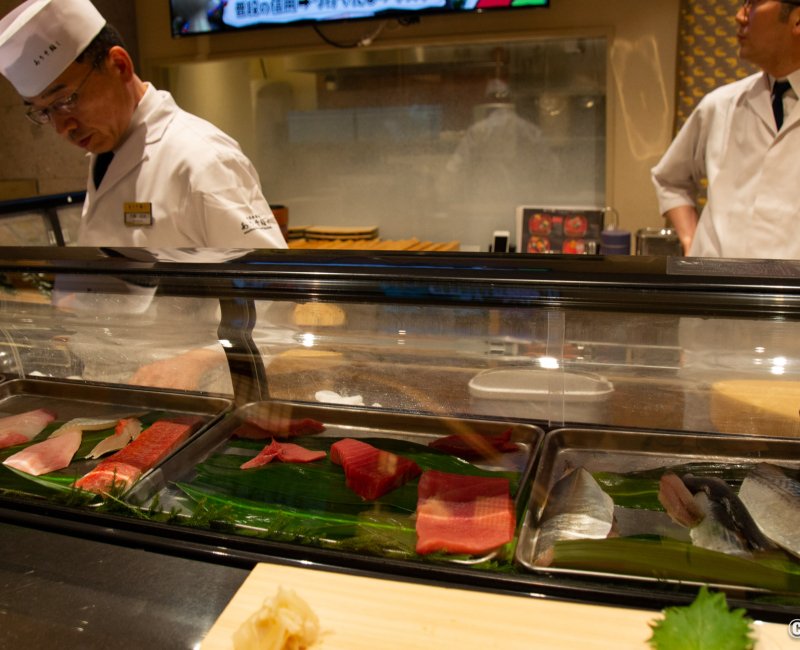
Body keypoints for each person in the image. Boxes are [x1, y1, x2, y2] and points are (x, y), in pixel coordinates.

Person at [0, 0, 287, 249]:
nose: (63, 128)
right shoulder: (107, 153)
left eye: (65, 100)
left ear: (120, 66)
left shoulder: (204, 160)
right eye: (45, 112)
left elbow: (268, 292)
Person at [651, 0, 800, 259]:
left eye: (753, 4)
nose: (739, 16)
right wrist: (690, 242)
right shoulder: (720, 104)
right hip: (715, 291)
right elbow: (670, 180)